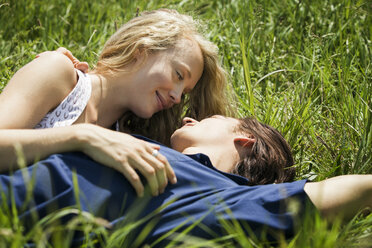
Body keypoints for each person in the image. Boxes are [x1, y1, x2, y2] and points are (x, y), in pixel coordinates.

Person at [0, 115, 370, 246]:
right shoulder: (123, 140)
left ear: (244, 140)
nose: (190, 119)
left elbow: (333, 192)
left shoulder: (222, 197)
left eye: (209, 117)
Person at [0, 9, 233, 197]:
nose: (177, 97)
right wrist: (83, 137)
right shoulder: (60, 74)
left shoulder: (129, 139)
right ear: (142, 50)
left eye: (185, 92)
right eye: (179, 75)